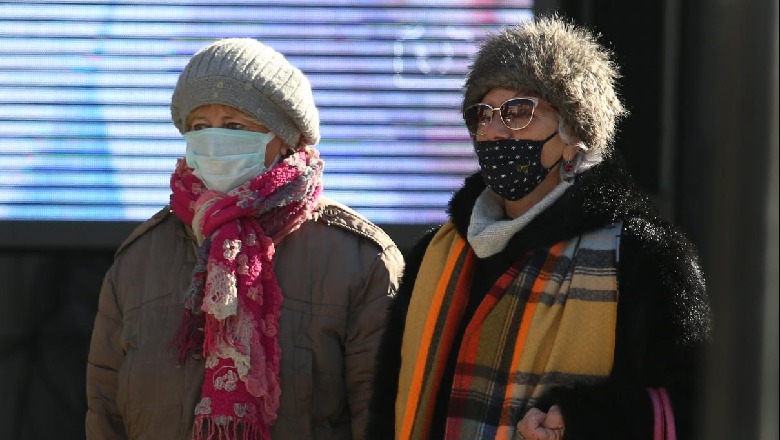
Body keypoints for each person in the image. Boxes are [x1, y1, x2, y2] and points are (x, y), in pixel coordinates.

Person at [366, 15, 711, 440]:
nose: (492, 131)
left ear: (574, 131)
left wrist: (583, 420)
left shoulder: (644, 257)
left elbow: (699, 408)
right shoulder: (436, 254)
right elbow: (388, 409)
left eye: (518, 112)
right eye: (482, 114)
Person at [85, 38, 404, 440]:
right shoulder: (140, 257)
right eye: (200, 126)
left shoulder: (358, 259)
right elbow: (105, 413)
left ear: (284, 138)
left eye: (235, 126)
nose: (215, 140)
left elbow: (380, 416)